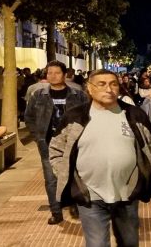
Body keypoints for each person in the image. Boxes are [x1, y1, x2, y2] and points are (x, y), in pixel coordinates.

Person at [49, 69, 151, 246]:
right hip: (90, 195)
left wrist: (143, 173)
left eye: (113, 84)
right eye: (102, 84)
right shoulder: (75, 117)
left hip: (127, 194)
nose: (109, 89)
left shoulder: (134, 115)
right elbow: (55, 149)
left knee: (130, 242)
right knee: (97, 244)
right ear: (89, 89)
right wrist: (64, 173)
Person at [24, 60, 88, 225]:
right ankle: (56, 211)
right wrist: (37, 136)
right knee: (51, 179)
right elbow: (29, 117)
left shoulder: (78, 95)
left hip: (74, 142)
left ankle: (75, 204)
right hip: (47, 143)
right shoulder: (38, 95)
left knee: (75, 175)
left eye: (57, 72)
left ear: (65, 75)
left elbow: (87, 115)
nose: (52, 76)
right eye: (49, 73)